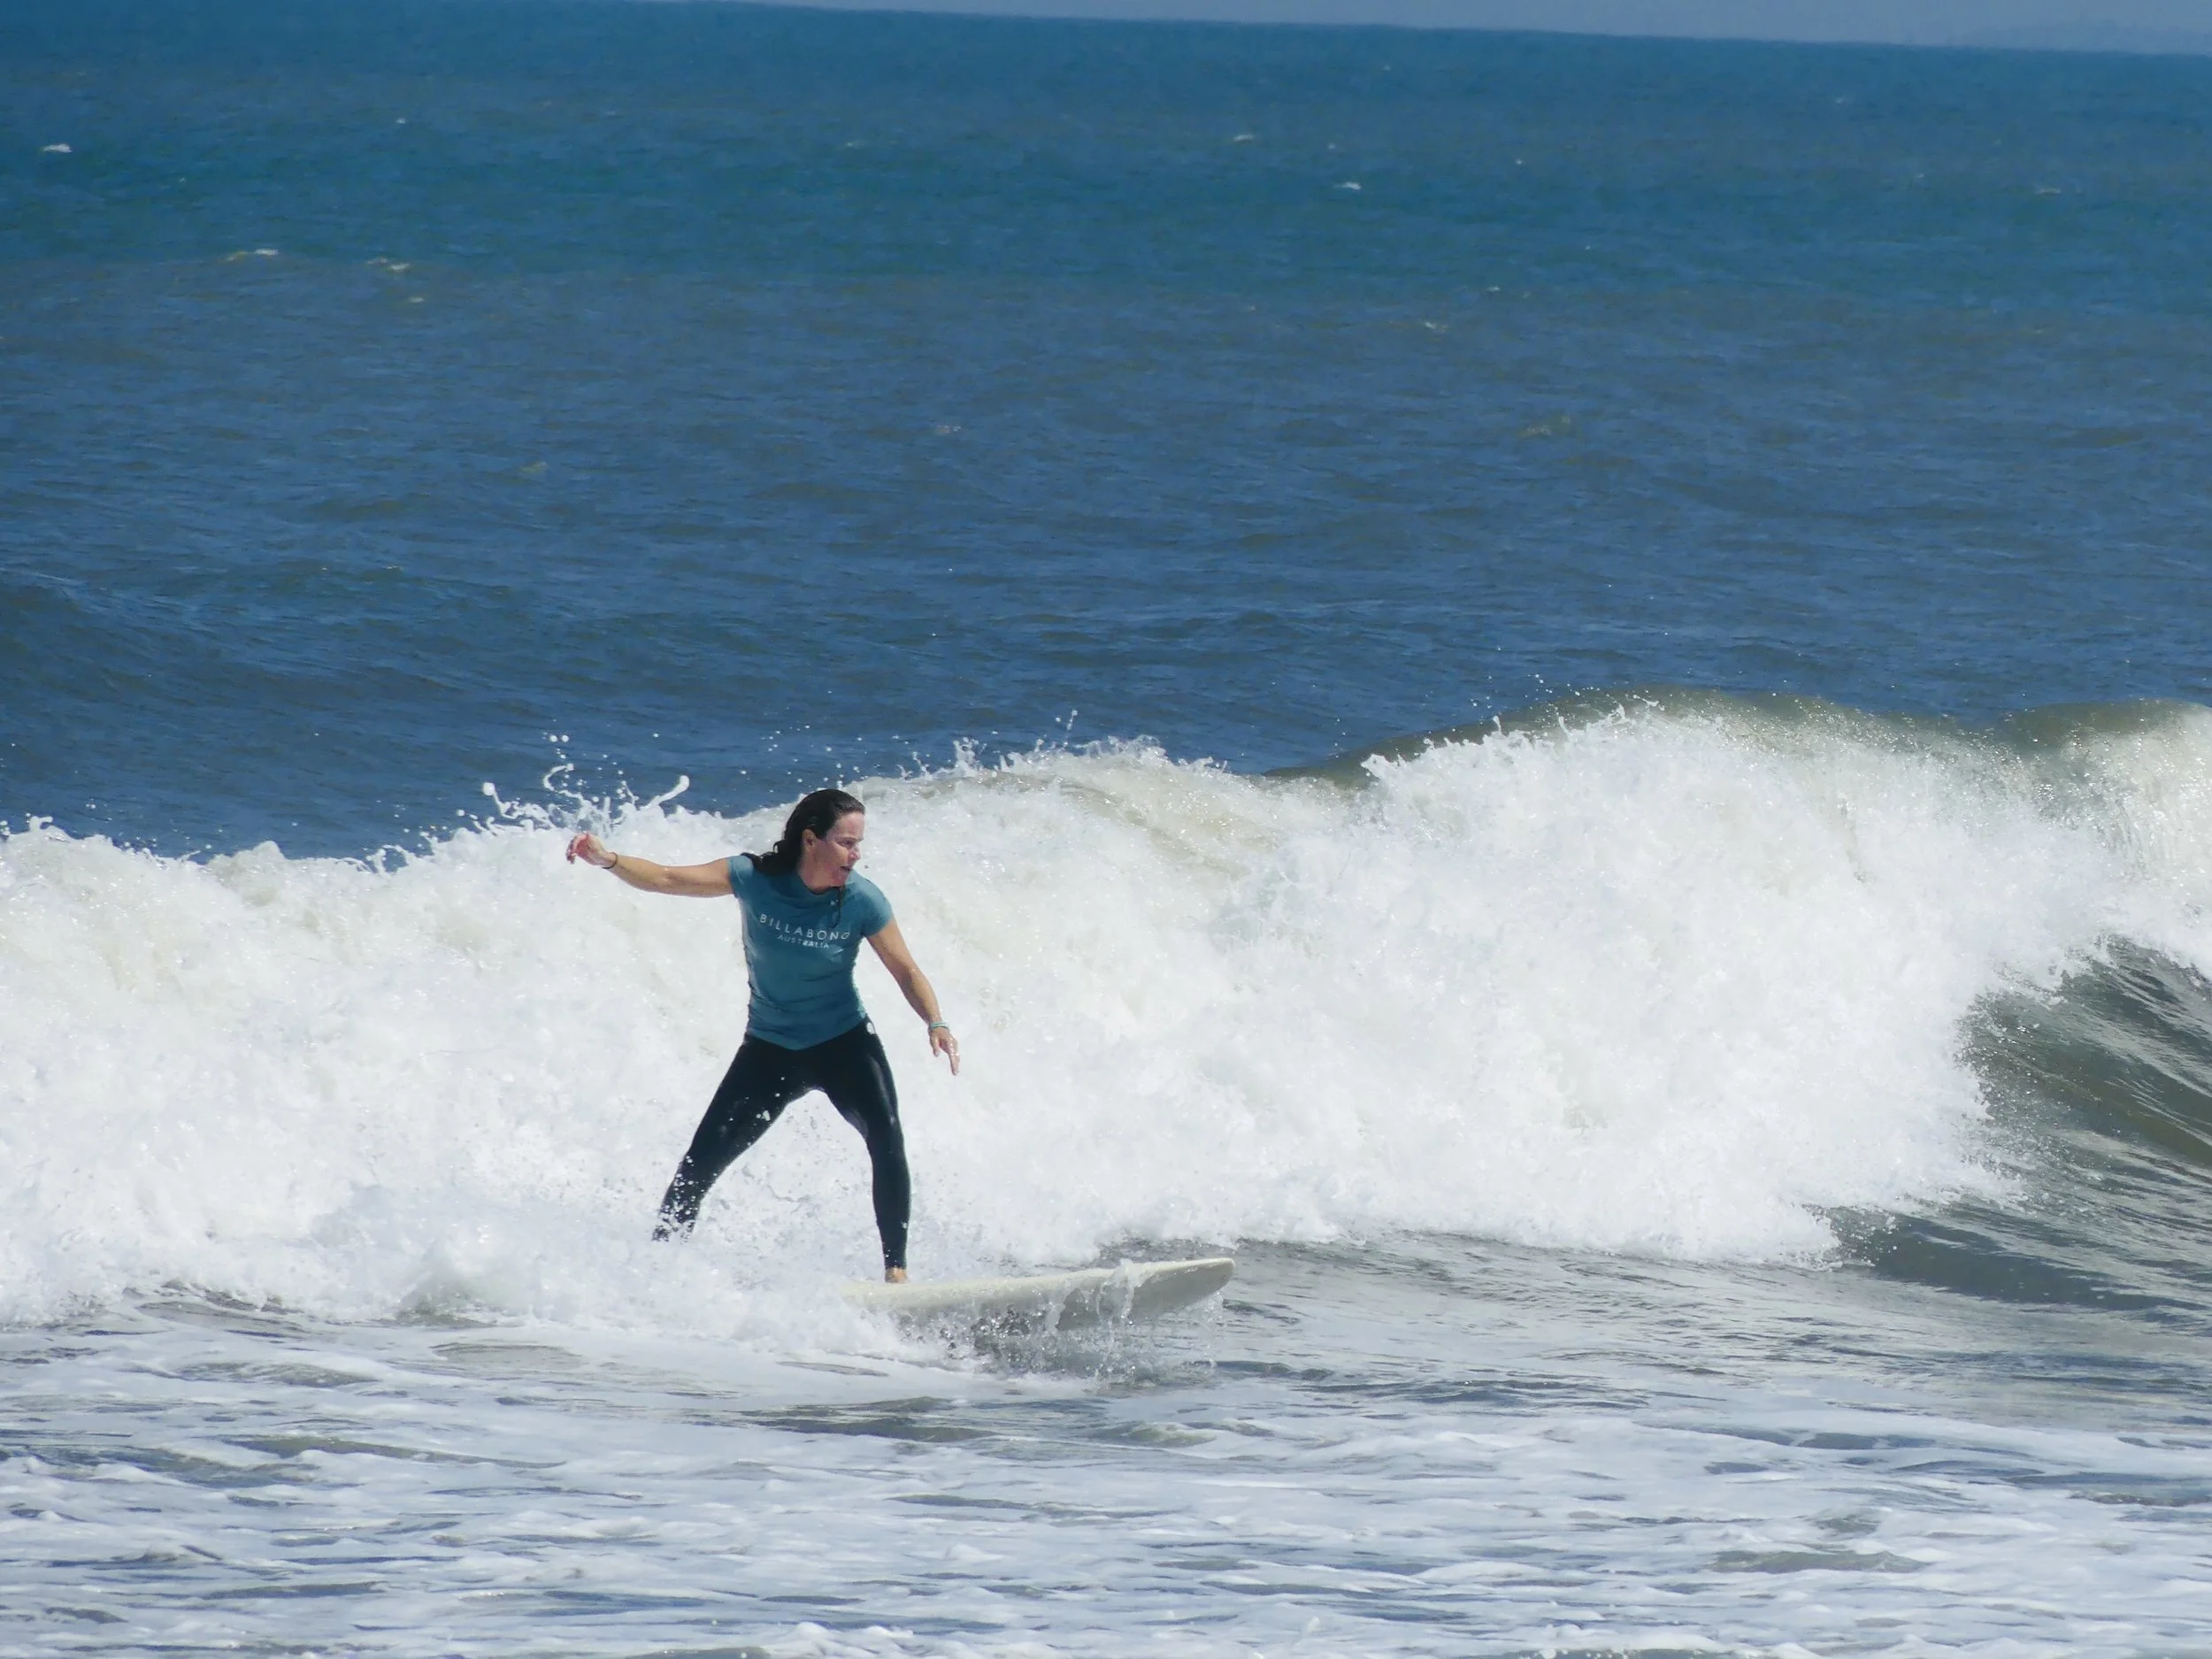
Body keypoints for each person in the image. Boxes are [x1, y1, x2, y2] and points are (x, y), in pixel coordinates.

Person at [565, 787, 957, 1283]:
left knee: (886, 1139)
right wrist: (608, 860)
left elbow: (905, 969)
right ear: (811, 839)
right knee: (699, 1164)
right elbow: (667, 878)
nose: (856, 855)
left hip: (844, 1044)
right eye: (846, 843)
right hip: (770, 1050)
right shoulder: (754, 878)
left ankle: (896, 1273)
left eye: (859, 844)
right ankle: (657, 1270)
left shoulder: (861, 899)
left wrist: (935, 1021)